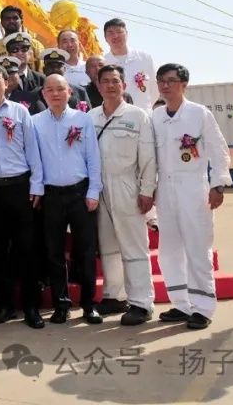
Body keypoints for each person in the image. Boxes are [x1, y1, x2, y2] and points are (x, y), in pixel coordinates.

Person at [151, 63, 231, 330]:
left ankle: (203, 307)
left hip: (193, 187)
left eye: (171, 81)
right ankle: (181, 304)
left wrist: (218, 184)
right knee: (170, 250)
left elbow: (218, 150)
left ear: (184, 84)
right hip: (165, 189)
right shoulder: (156, 117)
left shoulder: (199, 114)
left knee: (197, 247)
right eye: (161, 81)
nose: (165, 86)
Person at [0, 64, 45, 329]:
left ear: (6, 83)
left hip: (20, 187)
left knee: (27, 249)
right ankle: (5, 306)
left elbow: (32, 149)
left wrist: (36, 185)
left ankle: (31, 307)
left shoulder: (19, 111)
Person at [31, 74, 103, 325]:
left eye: (60, 89)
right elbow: (34, 160)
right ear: (43, 94)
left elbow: (93, 157)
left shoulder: (82, 119)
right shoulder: (35, 122)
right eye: (49, 89)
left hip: (80, 194)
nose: (55, 94)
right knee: (54, 253)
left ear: (69, 92)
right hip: (51, 195)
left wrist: (93, 191)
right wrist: (37, 189)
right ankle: (61, 305)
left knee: (85, 251)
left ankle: (88, 304)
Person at [89, 65, 157, 325]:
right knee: (108, 246)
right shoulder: (91, 117)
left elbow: (148, 158)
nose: (110, 86)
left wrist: (147, 190)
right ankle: (114, 296)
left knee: (134, 247)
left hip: (127, 186)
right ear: (98, 86)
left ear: (124, 86)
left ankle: (141, 302)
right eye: (105, 81)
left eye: (115, 81)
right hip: (99, 188)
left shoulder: (137, 116)